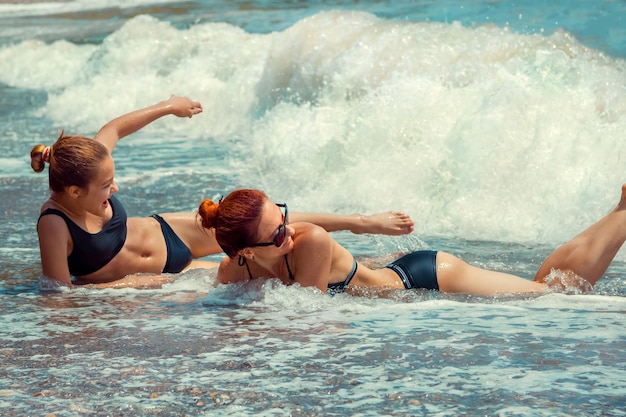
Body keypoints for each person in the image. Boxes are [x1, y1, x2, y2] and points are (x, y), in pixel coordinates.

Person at [30, 96, 415, 289]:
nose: (115, 188)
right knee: (263, 269)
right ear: (74, 191)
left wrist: (169, 106)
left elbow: (113, 128)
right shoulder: (54, 225)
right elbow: (61, 297)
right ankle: (352, 271)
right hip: (168, 274)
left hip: (170, 232)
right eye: (105, 187)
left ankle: (359, 222)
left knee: (259, 223)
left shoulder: (92, 163)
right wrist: (127, 285)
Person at [198, 187, 626, 296]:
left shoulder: (310, 242)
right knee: (546, 286)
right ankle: (619, 213)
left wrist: (365, 223)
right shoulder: (231, 269)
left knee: (554, 293)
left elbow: (304, 314)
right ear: (248, 252)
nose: (288, 230)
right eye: (277, 234)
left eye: (284, 218)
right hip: (402, 284)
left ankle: (622, 218)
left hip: (425, 277)